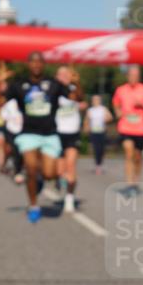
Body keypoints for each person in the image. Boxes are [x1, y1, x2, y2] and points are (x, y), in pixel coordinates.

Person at [6, 51, 67, 223]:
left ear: (43, 64)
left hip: (49, 134)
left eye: (39, 62)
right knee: (31, 169)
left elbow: (75, 97)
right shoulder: (19, 84)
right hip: (28, 133)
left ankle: (42, 179)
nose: (36, 65)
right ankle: (33, 205)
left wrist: (75, 84)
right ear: (29, 64)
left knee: (49, 174)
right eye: (33, 62)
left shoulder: (53, 84)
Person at [112, 65, 143, 193]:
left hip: (140, 128)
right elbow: (115, 103)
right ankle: (129, 183)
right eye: (131, 75)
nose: (133, 78)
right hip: (125, 127)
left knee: (137, 157)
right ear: (127, 76)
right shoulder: (121, 90)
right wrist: (118, 111)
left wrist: (141, 104)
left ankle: (136, 179)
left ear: (139, 77)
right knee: (128, 152)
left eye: (136, 76)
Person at [54, 65, 85, 213]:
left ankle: (69, 199)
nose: (64, 77)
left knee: (71, 166)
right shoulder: (52, 90)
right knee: (59, 170)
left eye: (66, 74)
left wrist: (76, 83)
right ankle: (60, 181)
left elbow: (79, 97)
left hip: (72, 133)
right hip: (56, 133)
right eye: (60, 74)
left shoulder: (74, 89)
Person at [84, 94, 113, 175]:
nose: (95, 101)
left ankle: (100, 163)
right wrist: (86, 127)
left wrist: (106, 119)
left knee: (101, 149)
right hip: (93, 131)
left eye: (97, 99)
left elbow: (110, 117)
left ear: (99, 101)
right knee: (96, 148)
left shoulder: (103, 109)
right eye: (94, 100)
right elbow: (86, 120)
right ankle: (97, 165)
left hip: (102, 131)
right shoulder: (90, 110)